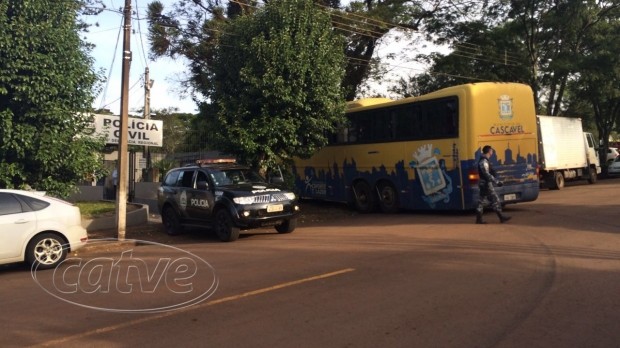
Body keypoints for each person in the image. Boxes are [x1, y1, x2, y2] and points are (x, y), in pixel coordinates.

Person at [475, 145, 511, 224]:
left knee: (481, 201)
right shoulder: (484, 161)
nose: (492, 152)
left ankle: (479, 219)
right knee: (495, 200)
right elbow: (486, 174)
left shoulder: (484, 160)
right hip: (486, 184)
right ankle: (501, 217)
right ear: (489, 151)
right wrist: (497, 182)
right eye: (491, 150)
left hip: (483, 183)